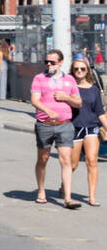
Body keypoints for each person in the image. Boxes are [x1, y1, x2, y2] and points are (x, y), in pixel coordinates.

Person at [31, 49, 83, 209]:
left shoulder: (69, 80)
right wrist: (48, 111)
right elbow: (34, 100)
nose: (49, 64)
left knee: (66, 159)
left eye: (52, 62)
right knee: (43, 158)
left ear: (61, 62)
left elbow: (78, 102)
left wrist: (66, 97)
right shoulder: (39, 78)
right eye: (46, 61)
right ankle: (41, 190)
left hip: (65, 124)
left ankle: (67, 198)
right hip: (44, 124)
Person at [69, 59, 106, 207]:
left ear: (87, 71)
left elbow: (100, 113)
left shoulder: (94, 89)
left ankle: (91, 196)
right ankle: (65, 186)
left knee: (92, 161)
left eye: (82, 69)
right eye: (76, 69)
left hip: (92, 127)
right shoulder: (69, 88)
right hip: (74, 128)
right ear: (72, 71)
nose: (79, 71)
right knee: (72, 164)